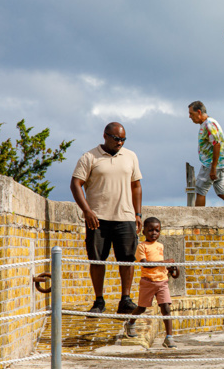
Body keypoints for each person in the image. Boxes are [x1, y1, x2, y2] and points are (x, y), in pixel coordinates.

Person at [70, 122, 142, 314]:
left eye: (123, 139)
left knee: (127, 259)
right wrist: (86, 211)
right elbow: (76, 184)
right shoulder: (89, 157)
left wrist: (138, 213)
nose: (120, 143)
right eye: (117, 138)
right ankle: (99, 300)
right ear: (105, 135)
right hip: (98, 218)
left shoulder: (131, 156)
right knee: (97, 260)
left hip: (125, 216)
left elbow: (136, 185)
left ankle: (125, 300)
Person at [123, 217, 180, 348]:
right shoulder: (141, 246)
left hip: (162, 282)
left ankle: (169, 337)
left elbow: (160, 264)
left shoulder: (160, 246)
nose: (154, 233)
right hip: (148, 282)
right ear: (144, 232)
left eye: (157, 230)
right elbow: (145, 264)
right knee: (141, 308)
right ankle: (131, 323)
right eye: (150, 230)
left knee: (166, 308)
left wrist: (170, 268)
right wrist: (165, 262)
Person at [187, 101, 224, 206]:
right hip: (219, 163)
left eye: (191, 114)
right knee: (222, 192)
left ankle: (198, 219)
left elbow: (217, 144)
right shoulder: (206, 123)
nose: (190, 117)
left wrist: (213, 167)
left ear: (199, 112)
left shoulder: (209, 124)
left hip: (212, 163)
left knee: (200, 190)